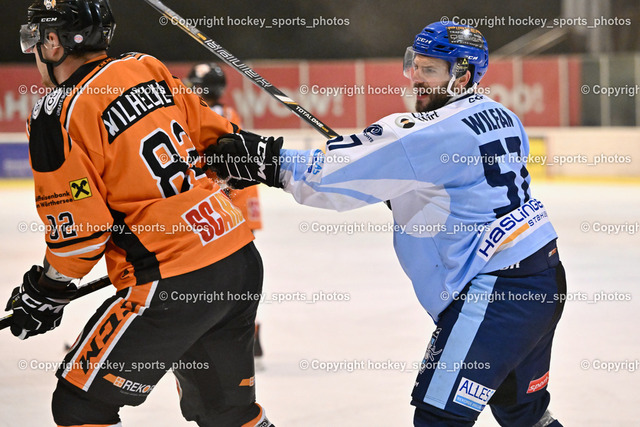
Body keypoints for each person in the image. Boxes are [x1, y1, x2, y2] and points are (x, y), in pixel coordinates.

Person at [206, 21, 566, 427]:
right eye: (415, 64)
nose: (415, 77)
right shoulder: (501, 115)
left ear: (462, 76)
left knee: (438, 418)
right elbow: (463, 192)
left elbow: (334, 179)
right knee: (525, 413)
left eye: (430, 70)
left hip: (497, 291)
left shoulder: (428, 133)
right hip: (543, 275)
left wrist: (265, 160)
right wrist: (396, 181)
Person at [6, 1, 273, 426]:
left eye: (37, 38)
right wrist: (269, 159)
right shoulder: (145, 66)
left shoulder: (56, 113)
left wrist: (45, 291)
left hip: (171, 281)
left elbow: (81, 233)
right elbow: (218, 140)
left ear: (53, 42)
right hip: (236, 257)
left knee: (79, 405)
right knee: (226, 413)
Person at [185, 63, 265, 361]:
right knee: (238, 277)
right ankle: (250, 333)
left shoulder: (204, 117)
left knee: (215, 277)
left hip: (223, 211)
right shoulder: (229, 114)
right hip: (239, 206)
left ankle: (216, 334)